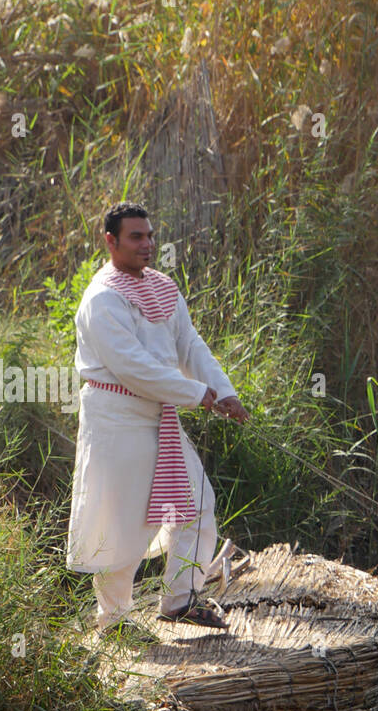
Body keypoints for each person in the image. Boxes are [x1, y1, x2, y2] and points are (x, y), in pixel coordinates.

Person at [67, 201, 249, 636]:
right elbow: (133, 368)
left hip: (160, 415)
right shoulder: (102, 300)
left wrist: (224, 392)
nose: (147, 244)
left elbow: (190, 345)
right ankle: (113, 620)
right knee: (122, 521)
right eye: (136, 237)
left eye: (150, 236)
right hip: (116, 418)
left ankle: (179, 600)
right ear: (110, 241)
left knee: (197, 505)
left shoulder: (164, 288)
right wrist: (196, 394)